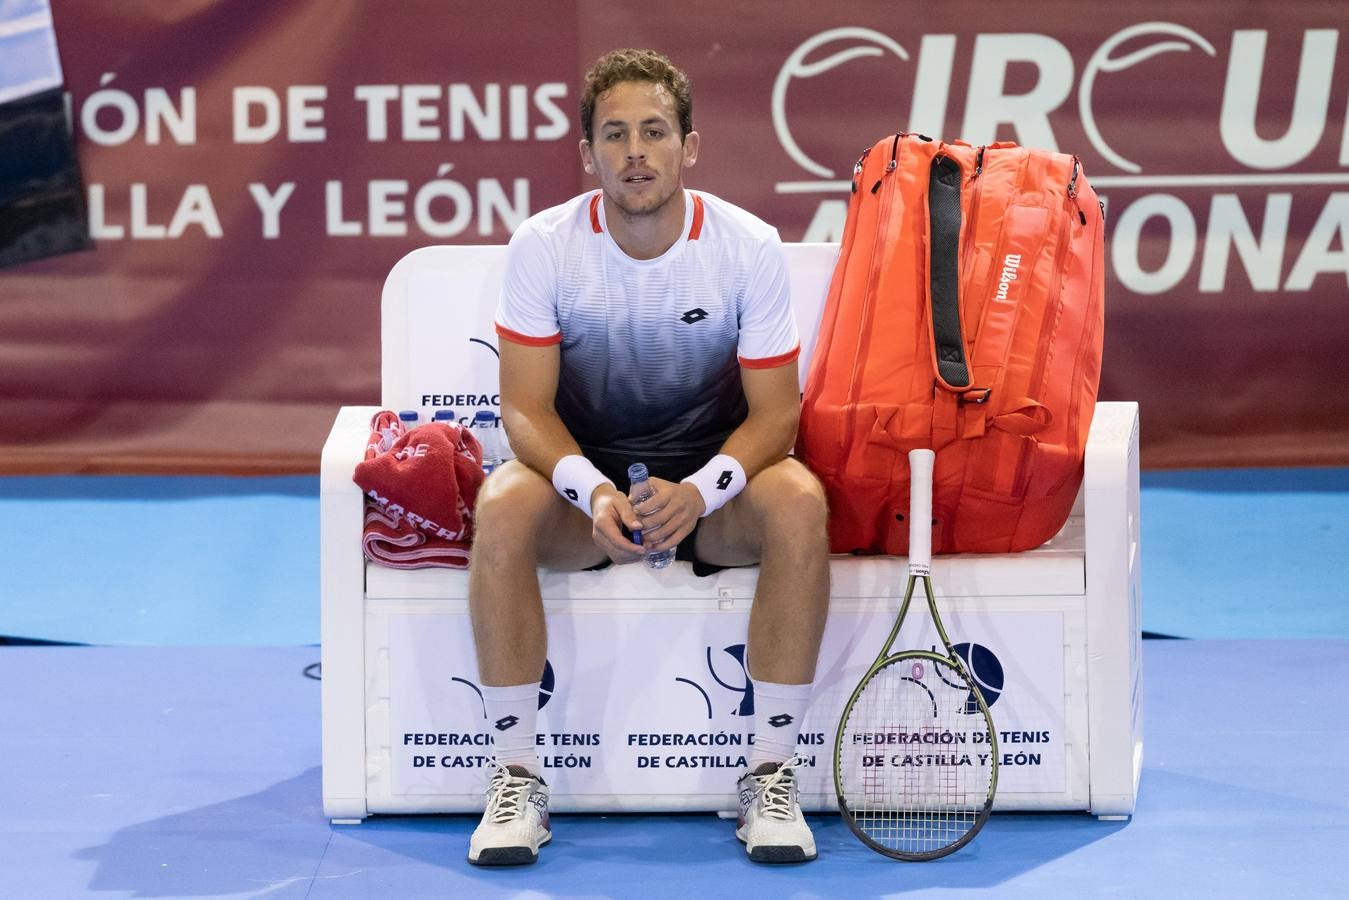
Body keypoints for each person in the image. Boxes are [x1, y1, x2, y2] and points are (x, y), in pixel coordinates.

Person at [466, 48, 830, 866]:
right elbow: (522, 410)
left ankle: (771, 775)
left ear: (688, 147)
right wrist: (592, 492)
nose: (635, 150)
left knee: (800, 500)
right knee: (499, 508)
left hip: (709, 493)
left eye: (655, 131)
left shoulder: (747, 246)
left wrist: (700, 492)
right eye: (616, 134)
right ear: (587, 153)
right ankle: (515, 775)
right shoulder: (544, 246)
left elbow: (777, 417)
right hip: (584, 499)